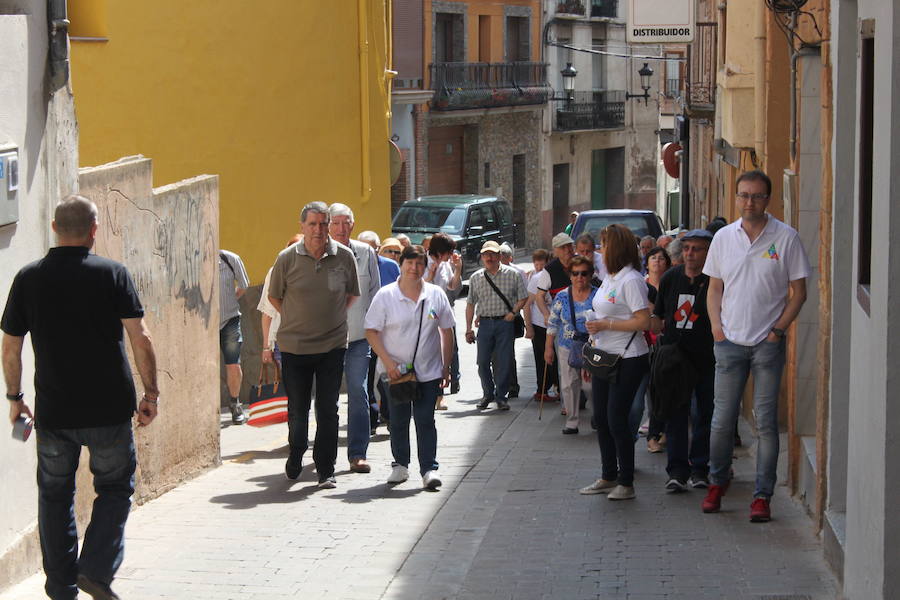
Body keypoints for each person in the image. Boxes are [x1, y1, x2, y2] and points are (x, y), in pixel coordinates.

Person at [2, 195, 159, 600]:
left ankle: (60, 585)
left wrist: (15, 398)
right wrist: (151, 393)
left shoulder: (28, 278)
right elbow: (139, 338)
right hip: (109, 410)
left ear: (54, 228)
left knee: (55, 496)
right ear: (94, 230)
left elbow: (10, 347)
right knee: (114, 488)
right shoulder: (113, 274)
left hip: (55, 412)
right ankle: (95, 569)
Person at [701, 170, 810, 522]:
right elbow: (714, 287)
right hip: (729, 341)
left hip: (767, 344)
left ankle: (762, 496)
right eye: (744, 195)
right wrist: (717, 328)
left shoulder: (786, 238)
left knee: (765, 424)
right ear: (736, 198)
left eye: (757, 196)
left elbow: (799, 293)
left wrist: (778, 331)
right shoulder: (723, 238)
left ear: (768, 199)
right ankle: (717, 483)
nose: (750, 202)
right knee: (721, 420)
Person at [267, 201, 360, 489]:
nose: (318, 230)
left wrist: (329, 318)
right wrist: (297, 318)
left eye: (323, 224)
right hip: (295, 346)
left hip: (332, 344)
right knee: (298, 408)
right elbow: (274, 297)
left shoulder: (344, 256)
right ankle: (296, 452)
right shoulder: (287, 258)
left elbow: (352, 295)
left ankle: (325, 469)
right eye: (312, 224)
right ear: (302, 226)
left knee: (328, 408)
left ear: (329, 225)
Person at [365, 245, 455, 489]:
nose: (414, 269)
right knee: (398, 419)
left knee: (426, 419)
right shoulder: (386, 295)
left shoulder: (435, 294)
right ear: (401, 264)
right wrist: (388, 362)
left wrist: (446, 367)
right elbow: (371, 331)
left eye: (419, 264)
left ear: (425, 267)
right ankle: (400, 465)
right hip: (397, 373)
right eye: (409, 263)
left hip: (429, 370)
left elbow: (447, 331)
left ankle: (429, 469)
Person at [580, 224, 651, 501]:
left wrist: (607, 323)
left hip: (628, 357)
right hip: (604, 356)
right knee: (601, 418)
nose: (600, 249)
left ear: (616, 248)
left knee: (616, 419)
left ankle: (626, 481)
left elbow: (643, 320)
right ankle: (608, 475)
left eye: (604, 244)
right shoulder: (609, 277)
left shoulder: (631, 280)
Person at [651, 229, 716, 492]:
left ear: (708, 252)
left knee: (704, 414)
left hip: (707, 358)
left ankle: (700, 468)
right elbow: (658, 316)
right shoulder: (670, 279)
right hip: (676, 358)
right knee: (675, 414)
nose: (690, 254)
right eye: (687, 248)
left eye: (697, 249)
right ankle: (677, 471)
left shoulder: (715, 280)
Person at [328, 203, 381, 474]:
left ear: (353, 224)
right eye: (335, 223)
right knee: (327, 398)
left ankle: (357, 453)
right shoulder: (321, 254)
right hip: (327, 339)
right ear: (328, 225)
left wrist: (377, 333)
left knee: (359, 392)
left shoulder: (366, 252)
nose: (340, 228)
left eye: (345, 222)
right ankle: (324, 456)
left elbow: (375, 294)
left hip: (360, 338)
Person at [464, 241, 527, 411]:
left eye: (492, 254)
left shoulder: (513, 275)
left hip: (504, 323)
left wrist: (513, 313)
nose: (489, 257)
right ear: (482, 257)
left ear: (500, 256)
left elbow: (523, 297)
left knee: (504, 361)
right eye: (485, 254)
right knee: (482, 361)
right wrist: (468, 328)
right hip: (484, 323)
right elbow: (470, 304)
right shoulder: (476, 277)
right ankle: (488, 394)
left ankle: (501, 396)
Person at [545, 256, 598, 435]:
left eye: (584, 273)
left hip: (593, 347)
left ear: (590, 275)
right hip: (567, 346)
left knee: (590, 385)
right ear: (570, 275)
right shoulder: (562, 296)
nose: (579, 277)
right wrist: (548, 348)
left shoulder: (598, 295)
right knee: (569, 385)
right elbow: (552, 323)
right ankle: (572, 421)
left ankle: (597, 415)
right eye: (575, 273)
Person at [424, 233, 462, 408]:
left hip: (443, 308)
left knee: (448, 347)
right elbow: (420, 287)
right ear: (440, 251)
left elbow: (452, 287)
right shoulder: (422, 262)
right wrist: (430, 275)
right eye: (449, 251)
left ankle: (441, 393)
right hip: (428, 311)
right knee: (434, 349)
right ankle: (435, 393)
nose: (450, 255)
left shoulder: (446, 265)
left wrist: (458, 269)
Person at [640, 246, 672, 453]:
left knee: (666, 390)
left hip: (668, 343)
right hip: (647, 343)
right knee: (653, 389)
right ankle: (654, 431)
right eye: (654, 258)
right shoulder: (640, 285)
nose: (657, 262)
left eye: (661, 258)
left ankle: (662, 431)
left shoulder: (671, 284)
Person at [259, 235, 303, 366]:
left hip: (311, 338)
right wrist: (266, 347)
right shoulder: (275, 273)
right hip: (284, 338)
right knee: (293, 382)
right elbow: (268, 313)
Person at [219, 249, 250, 425]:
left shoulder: (230, 259)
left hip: (230, 320)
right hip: (204, 324)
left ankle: (235, 403)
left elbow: (244, 285)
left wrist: (230, 300)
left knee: (233, 364)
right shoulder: (195, 257)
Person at [525, 249, 558, 402]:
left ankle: (556, 388)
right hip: (540, 325)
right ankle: (542, 390)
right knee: (542, 359)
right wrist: (529, 327)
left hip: (558, 326)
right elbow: (527, 304)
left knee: (556, 359)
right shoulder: (537, 278)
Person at [498, 243, 525, 398]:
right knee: (497, 354)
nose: (499, 261)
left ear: (510, 258)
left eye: (502, 258)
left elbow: (524, 297)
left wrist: (514, 312)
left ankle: (512, 385)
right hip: (494, 318)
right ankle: (502, 384)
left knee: (508, 353)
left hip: (510, 318)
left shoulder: (517, 272)